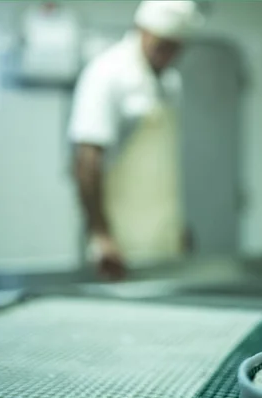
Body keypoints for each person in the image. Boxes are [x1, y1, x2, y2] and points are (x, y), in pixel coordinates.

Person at [69, 1, 204, 279]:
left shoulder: (170, 83)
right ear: (141, 30)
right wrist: (101, 236)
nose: (167, 56)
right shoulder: (106, 73)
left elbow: (161, 170)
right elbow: (86, 163)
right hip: (119, 242)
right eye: (161, 46)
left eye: (175, 48)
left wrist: (176, 227)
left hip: (163, 237)